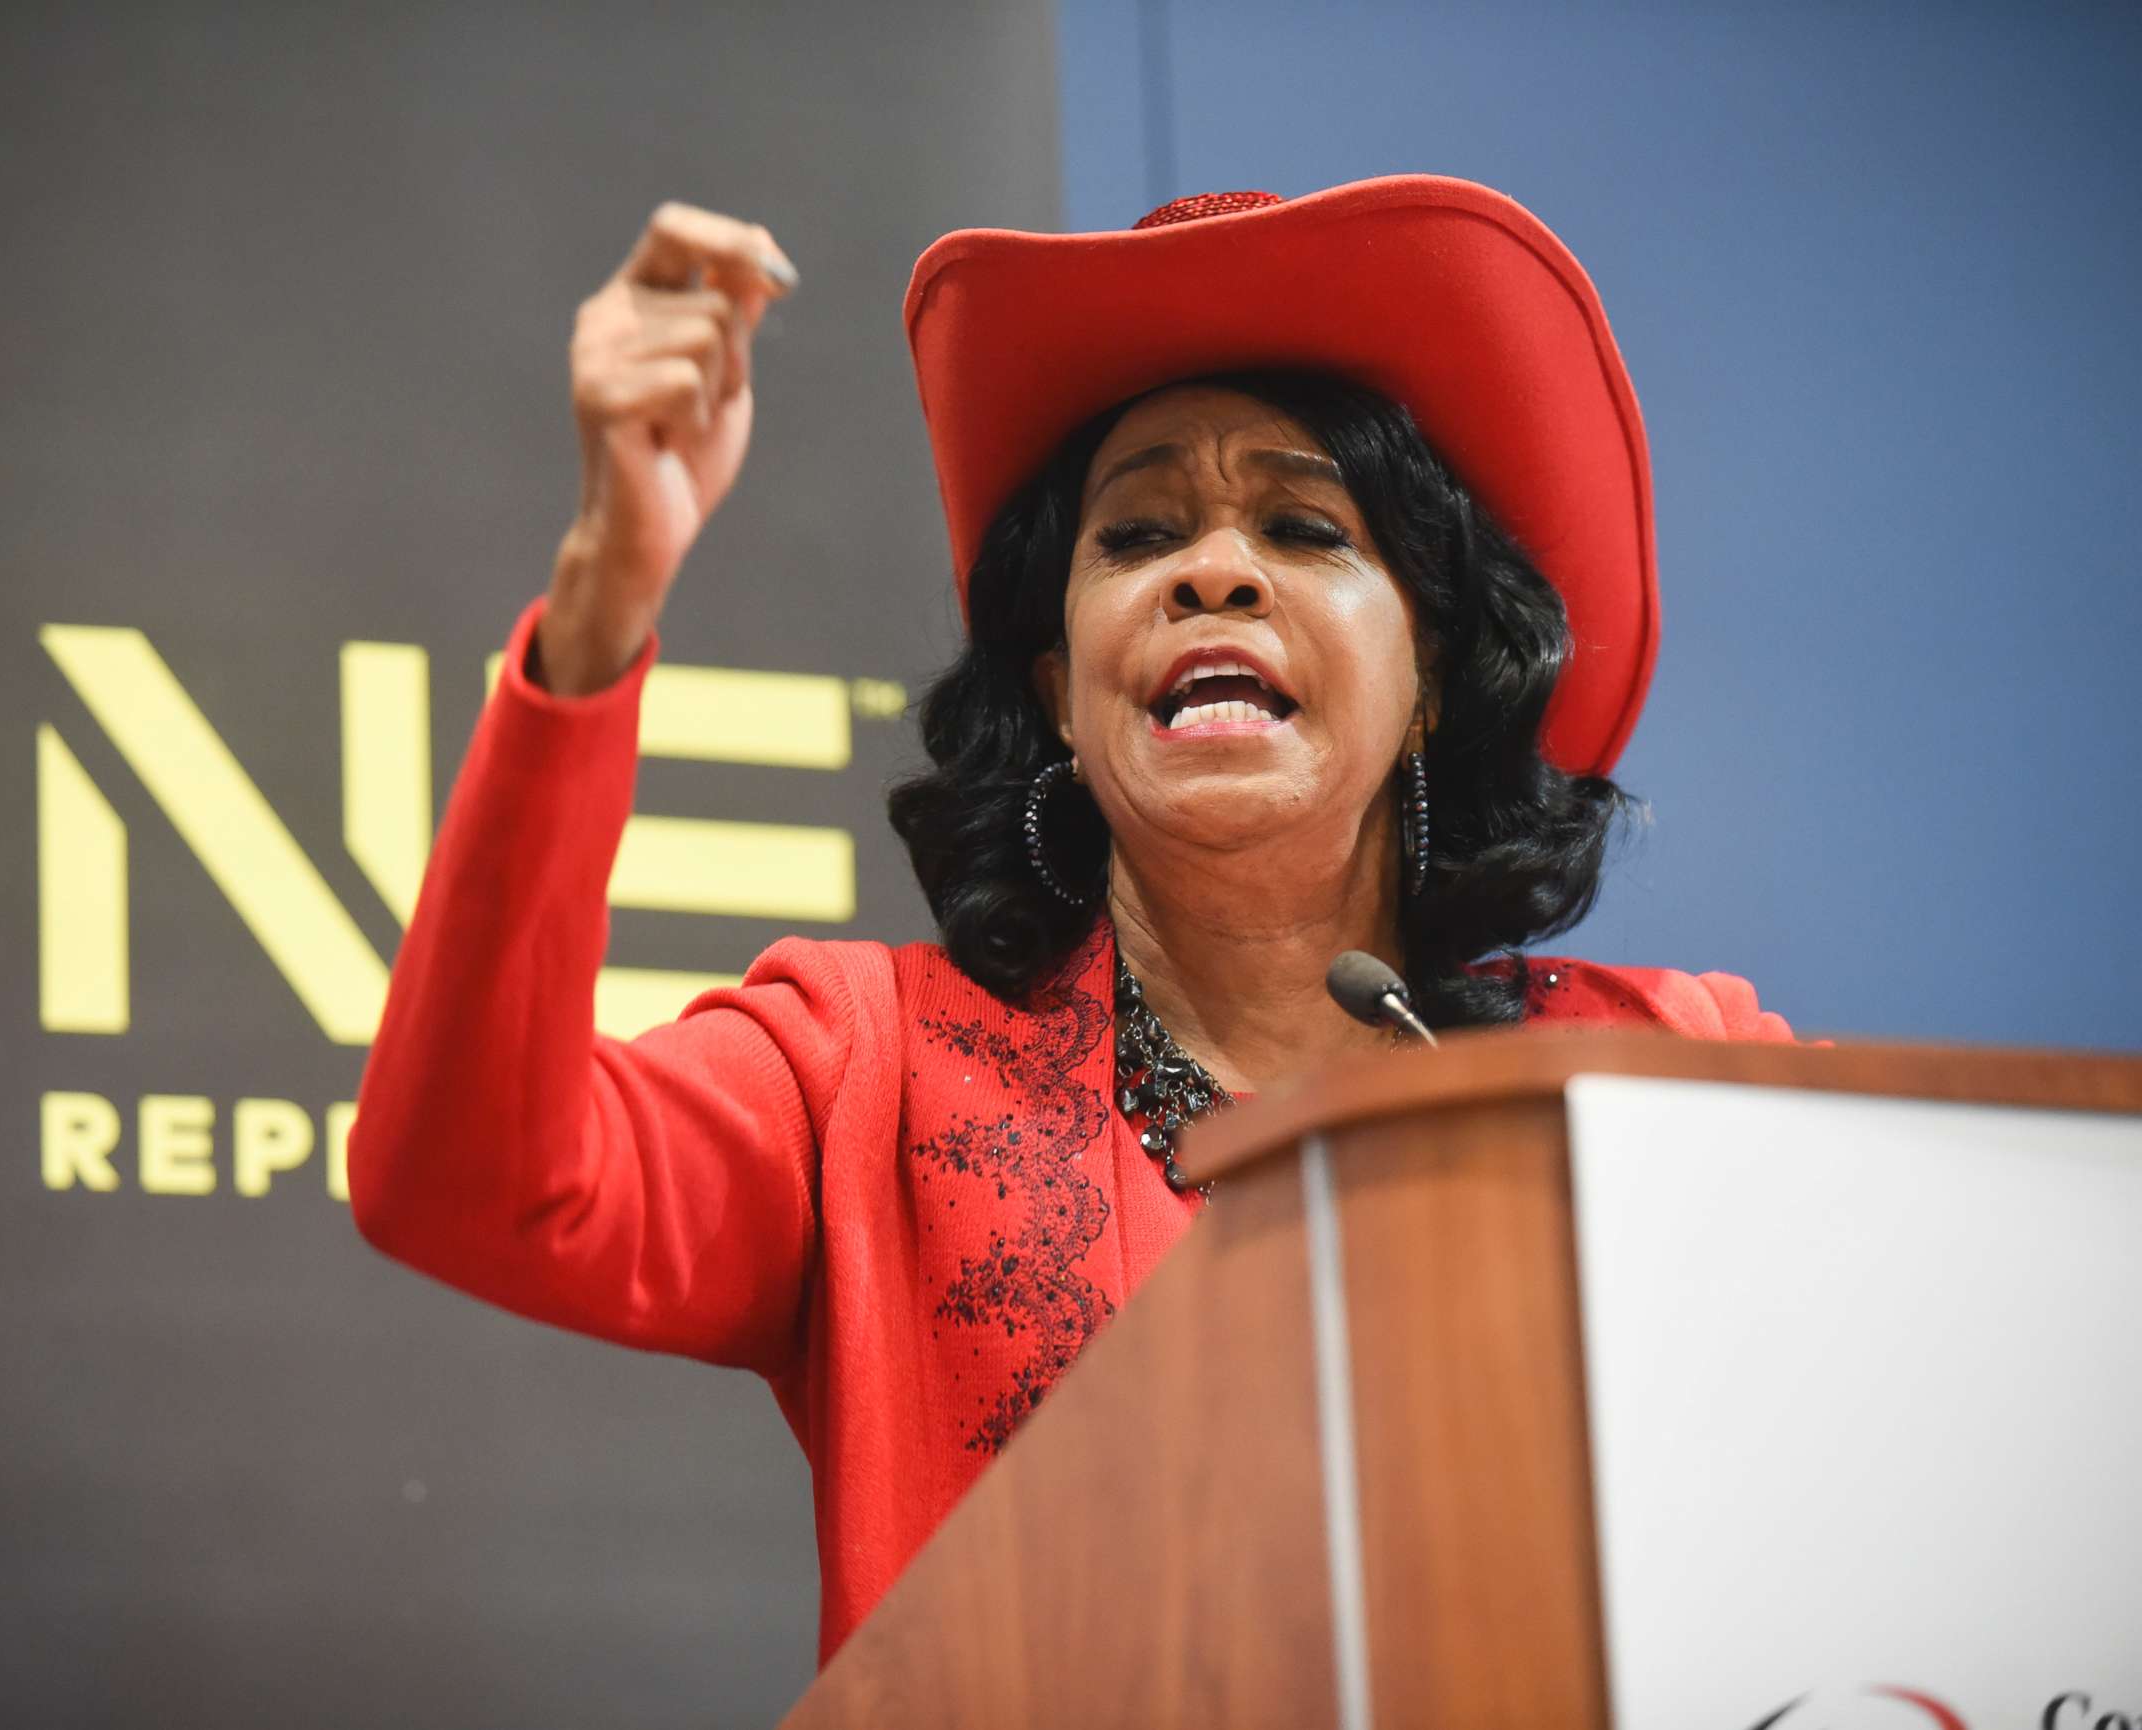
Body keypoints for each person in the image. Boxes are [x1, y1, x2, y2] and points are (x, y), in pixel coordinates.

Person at [347, 180, 1794, 1664]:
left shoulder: (1657, 1078)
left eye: (1303, 525)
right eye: (1139, 532)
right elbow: (469, 1177)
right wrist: (600, 600)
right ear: (1058, 685)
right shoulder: (869, 1073)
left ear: (1432, 673)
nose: (1211, 569)